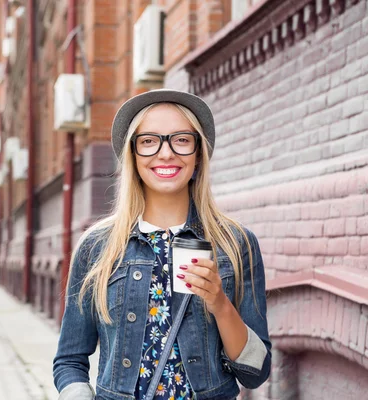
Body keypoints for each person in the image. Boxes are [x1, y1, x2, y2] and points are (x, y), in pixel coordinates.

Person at [53, 90, 271, 400]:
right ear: (133, 155)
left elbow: (255, 373)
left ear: (197, 155)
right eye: (149, 141)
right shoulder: (98, 246)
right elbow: (69, 360)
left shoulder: (235, 244)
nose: (166, 153)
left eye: (181, 140)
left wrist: (219, 303)